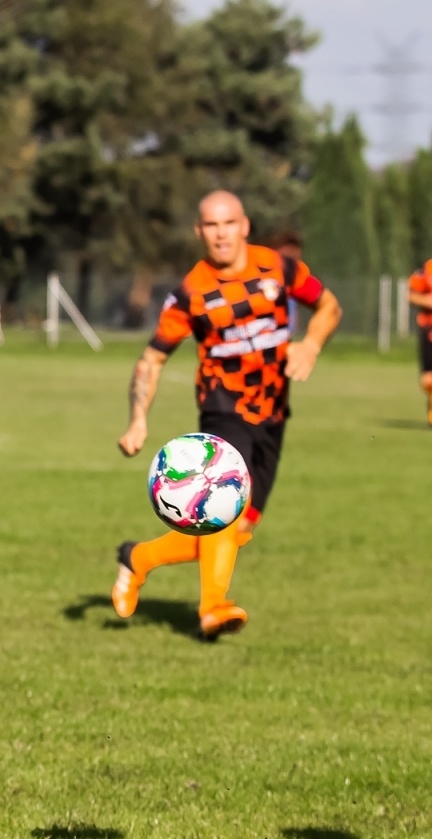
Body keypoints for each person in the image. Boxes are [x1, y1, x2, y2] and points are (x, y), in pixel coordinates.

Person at [112, 190, 341, 639]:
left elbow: (330, 306)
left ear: (245, 225)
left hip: (273, 408)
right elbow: (152, 359)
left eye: (229, 223)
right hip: (223, 406)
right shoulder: (190, 294)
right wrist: (138, 418)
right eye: (211, 226)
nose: (221, 234)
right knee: (224, 508)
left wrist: (310, 344)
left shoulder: (279, 268)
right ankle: (213, 607)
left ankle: (137, 558)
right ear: (199, 231)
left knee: (236, 530)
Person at [408, 258, 432, 425]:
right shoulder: (428, 269)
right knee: (427, 380)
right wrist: (427, 301)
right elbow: (411, 295)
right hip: (429, 328)